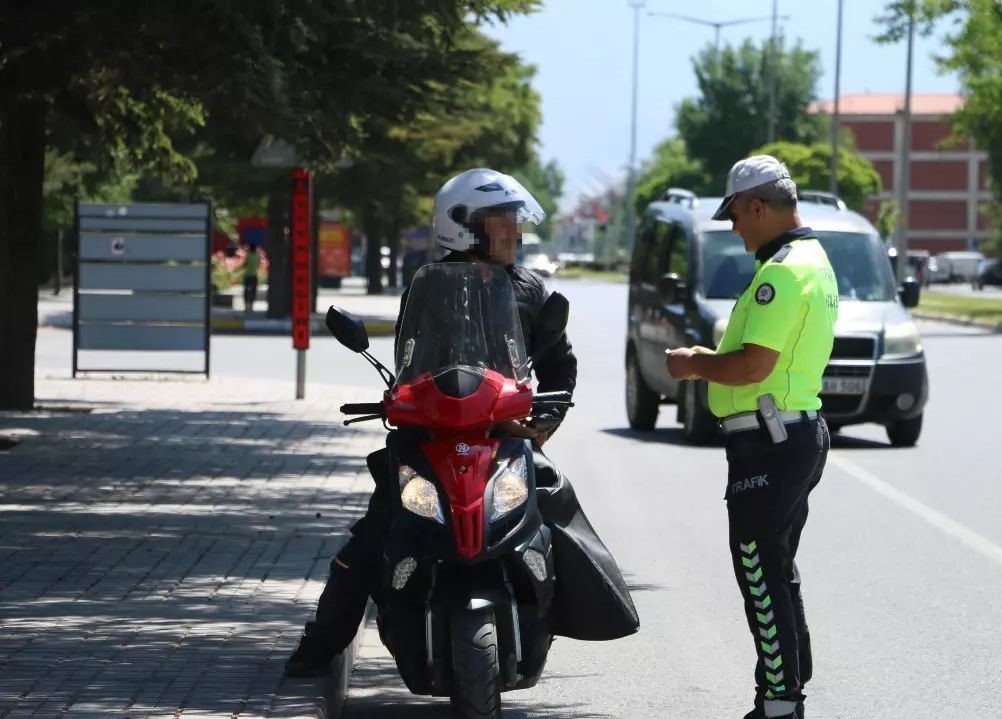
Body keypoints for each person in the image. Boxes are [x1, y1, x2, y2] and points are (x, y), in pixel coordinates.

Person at [285, 168, 638, 677]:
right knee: (369, 541)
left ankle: (570, 610)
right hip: (429, 440)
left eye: (515, 219)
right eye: (502, 220)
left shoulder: (529, 289)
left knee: (558, 506)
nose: (515, 230)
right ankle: (320, 646)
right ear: (464, 226)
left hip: (503, 440)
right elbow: (408, 363)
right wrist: (402, 402)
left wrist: (544, 422)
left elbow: (560, 365)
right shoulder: (427, 287)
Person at [665, 155, 838, 719]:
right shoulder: (813, 261)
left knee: (760, 571)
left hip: (772, 440)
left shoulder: (782, 272)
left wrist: (694, 363)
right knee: (775, 567)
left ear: (757, 206)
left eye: (736, 216)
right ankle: (785, 690)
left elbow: (752, 366)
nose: (735, 228)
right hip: (790, 434)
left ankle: (781, 703)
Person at [242, 243, 260, 313]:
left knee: (246, 291)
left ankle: (246, 306)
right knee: (254, 291)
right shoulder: (257, 256)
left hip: (247, 275)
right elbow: (258, 265)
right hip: (254, 276)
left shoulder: (247, 255)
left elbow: (245, 264)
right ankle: (251, 306)